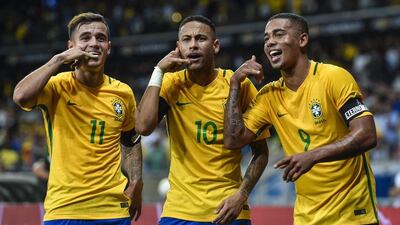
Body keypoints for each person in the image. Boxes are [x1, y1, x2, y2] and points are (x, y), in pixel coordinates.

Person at [224, 13, 379, 225]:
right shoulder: (269, 96)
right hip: (306, 218)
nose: (270, 42)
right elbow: (233, 140)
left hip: (352, 214)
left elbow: (367, 134)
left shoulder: (332, 77)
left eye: (278, 34)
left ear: (302, 40)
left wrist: (313, 156)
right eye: (266, 38)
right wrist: (234, 84)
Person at [135, 15, 269, 225]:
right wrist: (158, 71)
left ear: (215, 46)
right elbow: (142, 127)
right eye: (187, 40)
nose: (193, 45)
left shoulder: (239, 86)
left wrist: (242, 194)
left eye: (200, 39)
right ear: (178, 47)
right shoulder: (171, 84)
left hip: (228, 210)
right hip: (179, 212)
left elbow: (260, 152)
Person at [13, 12, 143, 225]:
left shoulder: (123, 92)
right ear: (71, 45)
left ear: (108, 47)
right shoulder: (57, 86)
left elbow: (131, 141)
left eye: (100, 38)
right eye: (85, 38)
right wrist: (59, 59)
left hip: (113, 211)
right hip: (64, 209)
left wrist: (136, 180)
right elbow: (20, 96)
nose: (94, 43)